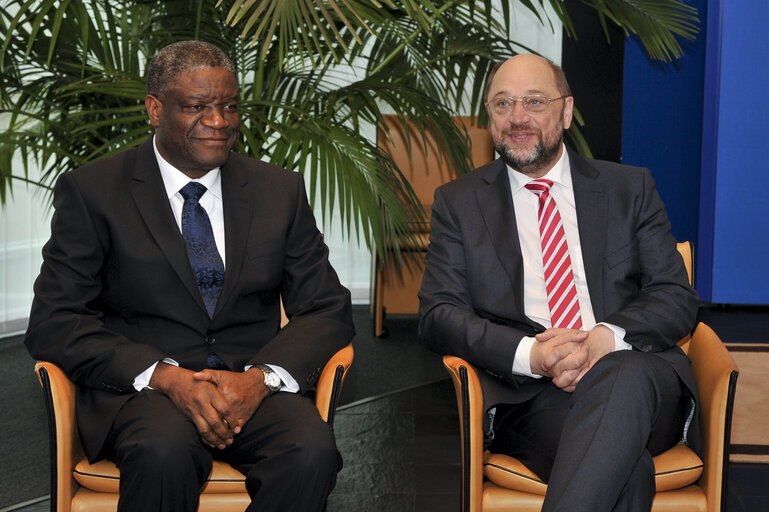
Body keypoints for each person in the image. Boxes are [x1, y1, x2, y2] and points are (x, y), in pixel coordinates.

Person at [25, 40, 355, 512]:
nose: (219, 122)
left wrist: (260, 379)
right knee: (163, 453)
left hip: (248, 385)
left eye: (228, 106)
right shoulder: (94, 191)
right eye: (198, 107)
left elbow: (327, 307)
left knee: (310, 451)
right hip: (148, 392)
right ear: (155, 109)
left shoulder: (277, 190)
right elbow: (55, 320)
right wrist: (165, 377)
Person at [418, 54, 699, 511]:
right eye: (503, 104)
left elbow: (675, 296)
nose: (518, 118)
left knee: (621, 374)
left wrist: (604, 340)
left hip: (642, 380)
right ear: (489, 117)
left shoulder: (629, 188)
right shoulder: (459, 203)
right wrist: (536, 355)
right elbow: (437, 316)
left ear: (566, 112)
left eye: (534, 101)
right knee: (626, 470)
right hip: (533, 398)